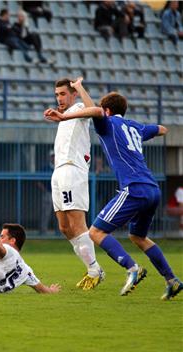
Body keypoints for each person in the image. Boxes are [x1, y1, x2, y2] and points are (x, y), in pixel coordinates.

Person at [44, 91, 182, 300]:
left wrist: (63, 117)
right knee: (138, 237)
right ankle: (172, 280)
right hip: (152, 189)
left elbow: (96, 111)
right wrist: (142, 134)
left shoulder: (107, 123)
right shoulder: (136, 127)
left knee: (96, 232)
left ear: (107, 111)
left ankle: (132, 268)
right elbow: (163, 129)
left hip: (133, 188)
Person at [50, 77, 104, 290]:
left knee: (77, 223)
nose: (59, 98)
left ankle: (94, 270)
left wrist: (79, 86)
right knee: (64, 227)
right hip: (59, 172)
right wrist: (61, 117)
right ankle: (93, 268)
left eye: (63, 94)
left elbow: (95, 110)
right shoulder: (65, 116)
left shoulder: (80, 108)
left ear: (72, 95)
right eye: (57, 95)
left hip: (73, 170)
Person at [36, 150, 55, 235]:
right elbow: (38, 180)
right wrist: (44, 190)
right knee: (45, 213)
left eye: (55, 156)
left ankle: (59, 232)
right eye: (52, 156)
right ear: (49, 157)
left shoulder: (59, 167)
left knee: (59, 214)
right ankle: (43, 231)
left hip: (58, 194)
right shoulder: (45, 168)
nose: (54, 158)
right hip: (48, 193)